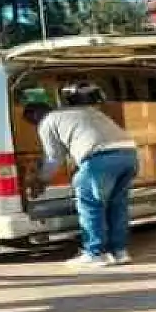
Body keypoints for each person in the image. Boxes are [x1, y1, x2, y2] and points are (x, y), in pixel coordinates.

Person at [25, 83, 139, 268]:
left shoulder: (47, 122)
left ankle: (94, 253)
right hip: (129, 154)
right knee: (117, 206)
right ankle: (119, 252)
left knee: (90, 205)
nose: (33, 126)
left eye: (31, 122)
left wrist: (41, 181)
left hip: (100, 159)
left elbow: (54, 158)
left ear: (35, 115)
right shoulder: (86, 112)